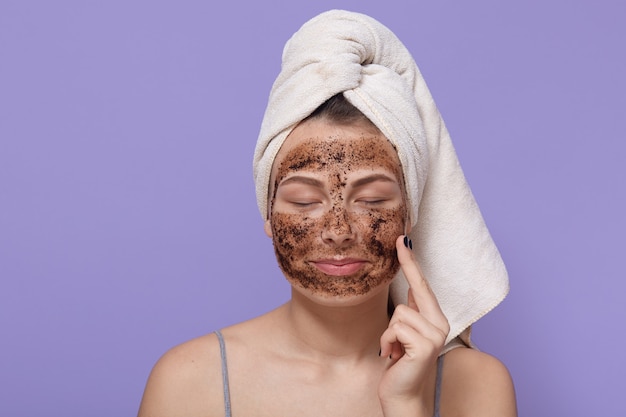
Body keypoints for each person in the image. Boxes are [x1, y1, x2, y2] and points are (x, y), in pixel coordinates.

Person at [138, 10, 516, 417]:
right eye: (304, 200)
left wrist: (406, 404)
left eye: (372, 200)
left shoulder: (477, 384)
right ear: (268, 214)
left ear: (410, 216)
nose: (338, 231)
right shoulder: (190, 380)